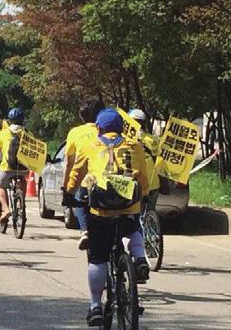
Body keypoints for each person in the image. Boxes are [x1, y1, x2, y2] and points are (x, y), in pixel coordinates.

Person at [65, 108, 150, 327]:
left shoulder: (90, 146)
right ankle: (139, 259)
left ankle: (95, 306)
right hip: (128, 206)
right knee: (132, 230)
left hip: (101, 210)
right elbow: (143, 176)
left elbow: (77, 172)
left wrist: (69, 192)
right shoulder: (134, 146)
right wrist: (144, 194)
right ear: (121, 128)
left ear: (99, 128)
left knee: (98, 257)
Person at [62, 98, 105, 250]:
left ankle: (85, 230)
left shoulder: (75, 133)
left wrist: (66, 188)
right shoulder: (112, 131)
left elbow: (70, 164)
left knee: (79, 198)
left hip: (86, 180)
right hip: (109, 179)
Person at [0, 108, 27, 223]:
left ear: (10, 120)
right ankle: (21, 202)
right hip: (23, 167)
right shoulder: (28, 133)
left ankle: (5, 209)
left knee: (0, 187)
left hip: (7, 167)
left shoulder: (4, 133)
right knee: (23, 180)